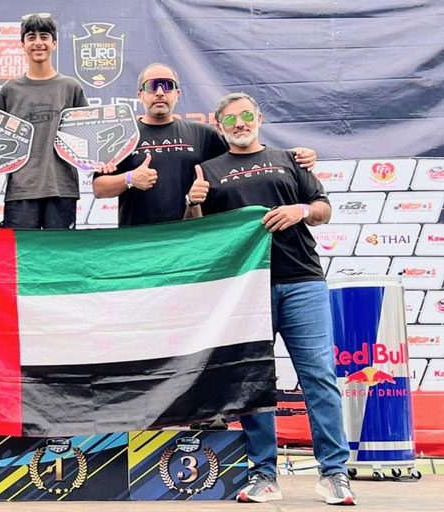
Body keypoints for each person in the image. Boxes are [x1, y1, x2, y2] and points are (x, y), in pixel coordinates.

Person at [197, 92, 356, 506]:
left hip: (303, 281)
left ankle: (334, 473)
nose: (240, 123)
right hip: (246, 288)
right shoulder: (208, 171)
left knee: (319, 376)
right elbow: (198, 233)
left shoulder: (290, 159)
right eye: (230, 119)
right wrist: (193, 204)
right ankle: (263, 474)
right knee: (254, 383)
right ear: (219, 126)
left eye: (246, 115)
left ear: (259, 118)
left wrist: (299, 210)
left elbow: (323, 209)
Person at [92, 63, 316, 226]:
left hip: (194, 238)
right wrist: (130, 178)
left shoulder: (203, 134)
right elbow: (99, 188)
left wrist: (292, 156)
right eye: (152, 86)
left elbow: (244, 154)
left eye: (167, 86)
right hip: (137, 239)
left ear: (177, 94)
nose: (160, 92)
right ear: (140, 95)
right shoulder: (122, 135)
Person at [0, 13, 87, 229]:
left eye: (44, 36)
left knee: (58, 250)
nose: (38, 43)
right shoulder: (9, 90)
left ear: (54, 43)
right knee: (24, 251)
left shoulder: (71, 88)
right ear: (22, 45)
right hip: (21, 190)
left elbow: (86, 137)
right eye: (31, 37)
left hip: (62, 188)